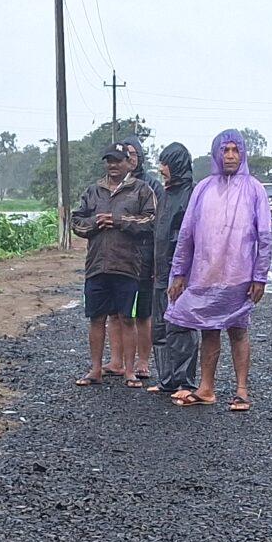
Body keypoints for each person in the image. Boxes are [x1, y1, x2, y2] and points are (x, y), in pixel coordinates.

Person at [164, 130, 271, 411]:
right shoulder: (203, 189)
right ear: (216, 154)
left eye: (236, 150)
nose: (231, 155)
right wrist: (179, 274)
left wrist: (260, 276)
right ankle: (206, 388)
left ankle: (242, 391)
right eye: (225, 150)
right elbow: (187, 233)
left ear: (243, 153)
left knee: (238, 330)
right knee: (208, 330)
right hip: (205, 274)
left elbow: (265, 236)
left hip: (240, 276)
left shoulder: (254, 189)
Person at [68, 144, 158, 386]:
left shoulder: (141, 190)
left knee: (127, 318)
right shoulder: (93, 191)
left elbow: (150, 221)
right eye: (109, 161)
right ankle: (95, 369)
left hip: (128, 266)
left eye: (118, 161)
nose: (113, 165)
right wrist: (96, 223)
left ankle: (129, 371)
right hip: (97, 266)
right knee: (96, 318)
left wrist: (119, 221)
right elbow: (76, 222)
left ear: (129, 162)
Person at [146, 142, 199, 395]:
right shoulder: (166, 194)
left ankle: (185, 382)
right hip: (160, 271)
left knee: (182, 327)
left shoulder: (191, 194)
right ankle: (167, 380)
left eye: (165, 163)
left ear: (176, 164)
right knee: (160, 327)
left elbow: (188, 238)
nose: (161, 168)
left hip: (180, 274)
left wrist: (183, 273)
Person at [117, 138, 155, 383]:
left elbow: (155, 222)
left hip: (144, 255)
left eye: (133, 153)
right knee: (117, 313)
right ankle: (115, 360)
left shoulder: (150, 186)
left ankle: (143, 360)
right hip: (117, 258)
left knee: (142, 312)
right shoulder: (113, 185)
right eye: (125, 154)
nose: (129, 158)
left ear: (140, 156)